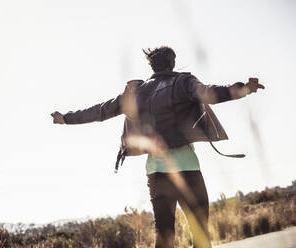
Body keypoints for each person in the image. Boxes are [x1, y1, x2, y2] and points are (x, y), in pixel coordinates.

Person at [51, 46, 264, 248]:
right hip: (187, 168)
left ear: (152, 67)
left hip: (156, 173)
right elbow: (210, 93)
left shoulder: (135, 93)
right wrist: (244, 89)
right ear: (173, 63)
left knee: (164, 236)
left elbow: (100, 111)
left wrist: (65, 119)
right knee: (200, 233)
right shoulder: (183, 82)